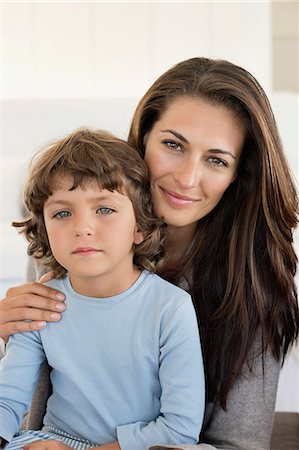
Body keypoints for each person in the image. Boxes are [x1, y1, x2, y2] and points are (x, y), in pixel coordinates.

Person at [1, 57, 298, 450]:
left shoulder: (249, 291)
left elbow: (236, 444)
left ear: (236, 176)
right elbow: (25, 402)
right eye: (173, 145)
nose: (187, 178)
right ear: (142, 138)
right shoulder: (71, 243)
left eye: (216, 160)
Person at [0, 129, 205, 450]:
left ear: (139, 226)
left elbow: (180, 429)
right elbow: (7, 401)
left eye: (105, 209)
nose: (82, 227)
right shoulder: (43, 302)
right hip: (55, 442)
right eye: (62, 213)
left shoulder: (170, 308)